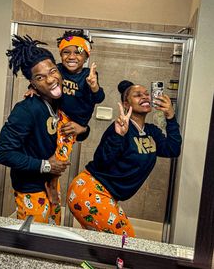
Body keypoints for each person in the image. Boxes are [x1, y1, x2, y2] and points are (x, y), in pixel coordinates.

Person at [0, 35, 89, 225]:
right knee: (33, 242)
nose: (51, 79)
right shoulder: (26, 109)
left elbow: (73, 133)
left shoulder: (60, 102)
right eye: (40, 77)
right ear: (33, 84)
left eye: (53, 71)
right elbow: (2, 153)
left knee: (51, 236)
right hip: (30, 187)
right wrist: (46, 165)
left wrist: (83, 129)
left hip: (51, 183)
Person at [67, 80, 182, 237]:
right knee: (125, 242)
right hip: (89, 190)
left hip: (108, 196)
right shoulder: (119, 128)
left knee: (111, 245)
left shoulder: (152, 131)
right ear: (126, 104)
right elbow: (101, 162)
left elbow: (172, 149)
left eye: (147, 94)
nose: (145, 97)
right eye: (137, 95)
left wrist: (170, 116)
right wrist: (118, 135)